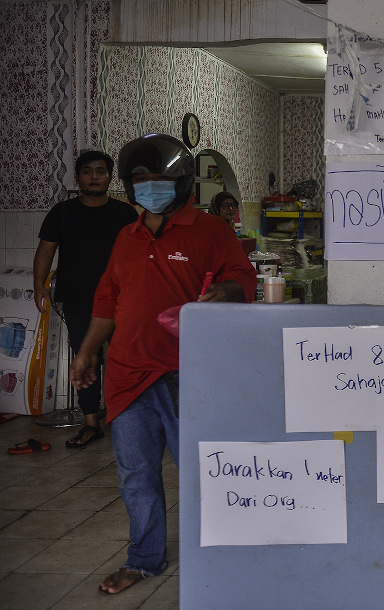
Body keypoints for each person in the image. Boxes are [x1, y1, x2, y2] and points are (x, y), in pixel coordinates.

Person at [69, 134, 256, 594]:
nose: (151, 186)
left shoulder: (210, 230)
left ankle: (223, 557)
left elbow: (242, 276)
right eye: (140, 179)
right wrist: (89, 350)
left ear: (182, 182)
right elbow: (109, 298)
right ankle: (144, 559)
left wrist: (226, 292)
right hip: (129, 374)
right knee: (136, 474)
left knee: (203, 471)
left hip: (187, 376)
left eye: (160, 179)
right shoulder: (127, 237)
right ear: (130, 187)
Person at [33, 151, 138, 448]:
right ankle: (91, 423)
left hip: (122, 300)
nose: (94, 176)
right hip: (79, 299)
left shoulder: (125, 214)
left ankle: (126, 419)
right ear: (77, 177)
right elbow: (46, 249)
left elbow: (141, 255)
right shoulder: (62, 212)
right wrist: (39, 285)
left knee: (124, 360)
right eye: (88, 171)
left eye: (101, 171)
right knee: (87, 358)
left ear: (109, 177)